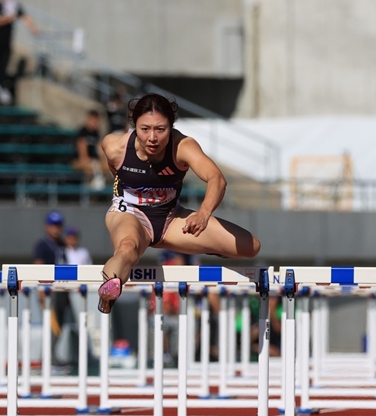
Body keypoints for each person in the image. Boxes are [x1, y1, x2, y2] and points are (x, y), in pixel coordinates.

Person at [96, 93, 261, 313]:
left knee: (250, 246)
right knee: (128, 247)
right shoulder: (114, 146)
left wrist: (203, 213)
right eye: (145, 129)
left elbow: (217, 178)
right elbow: (116, 174)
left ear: (171, 127)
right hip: (131, 213)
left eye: (160, 129)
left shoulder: (183, 146)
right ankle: (109, 290)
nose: (152, 138)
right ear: (134, 125)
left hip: (171, 219)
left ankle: (195, 244)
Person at [33, 211, 74, 369]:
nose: (56, 229)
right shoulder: (42, 245)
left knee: (61, 324)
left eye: (58, 225)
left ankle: (52, 355)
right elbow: (38, 266)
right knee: (52, 324)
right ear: (47, 226)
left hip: (62, 289)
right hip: (49, 290)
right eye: (53, 225)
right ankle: (48, 358)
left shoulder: (62, 244)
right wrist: (41, 290)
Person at [0, 0, 40, 104]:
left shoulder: (15, 5)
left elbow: (25, 17)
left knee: (4, 61)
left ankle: (0, 84)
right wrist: (8, 18)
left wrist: (33, 28)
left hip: (8, 39)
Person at [73, 110, 107, 190]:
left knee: (107, 168)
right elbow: (81, 147)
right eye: (93, 120)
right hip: (79, 159)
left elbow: (99, 149)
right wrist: (86, 159)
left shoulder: (96, 133)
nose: (95, 123)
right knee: (89, 170)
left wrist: (103, 160)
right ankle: (89, 194)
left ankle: (100, 192)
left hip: (93, 160)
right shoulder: (83, 131)